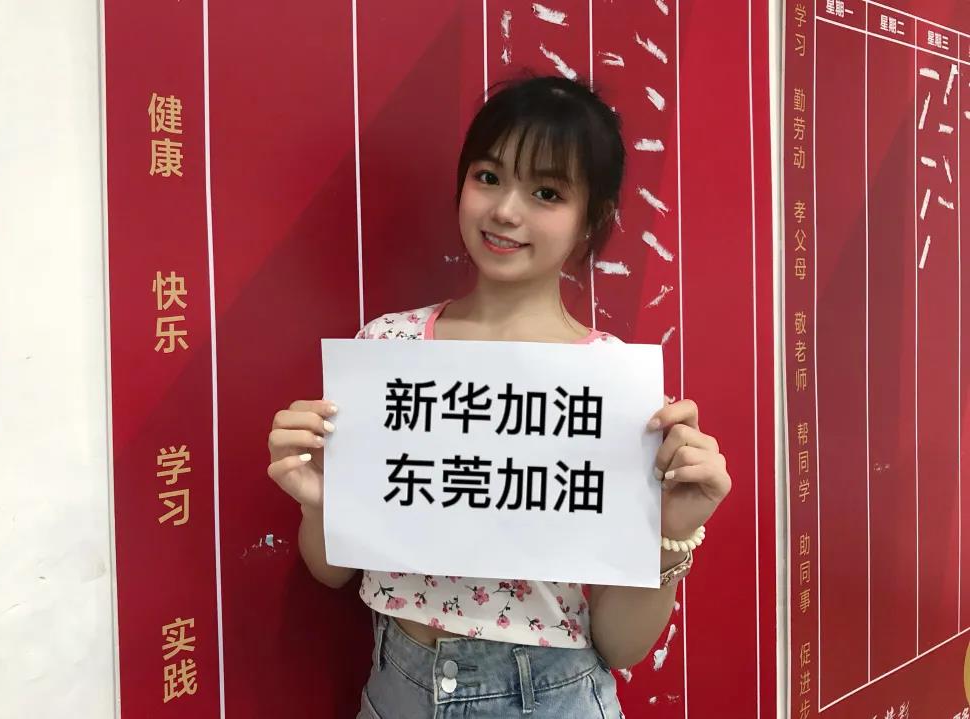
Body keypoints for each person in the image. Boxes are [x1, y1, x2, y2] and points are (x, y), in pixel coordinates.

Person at [266, 74, 732, 718]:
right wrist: (321, 502)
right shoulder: (389, 348)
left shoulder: (614, 387)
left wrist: (672, 534)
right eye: (488, 177)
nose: (506, 211)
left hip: (548, 696)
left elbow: (621, 645)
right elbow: (332, 570)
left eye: (547, 192)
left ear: (592, 219)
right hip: (396, 685)